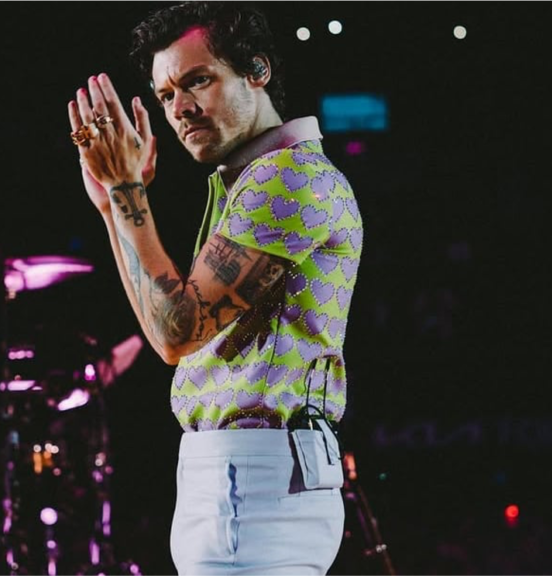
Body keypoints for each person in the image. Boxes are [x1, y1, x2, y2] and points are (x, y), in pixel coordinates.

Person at [66, 0, 364, 573]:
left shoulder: (287, 178)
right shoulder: (252, 180)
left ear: (257, 70)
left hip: (257, 482)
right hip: (235, 480)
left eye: (197, 81)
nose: (179, 108)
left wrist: (128, 191)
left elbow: (177, 333)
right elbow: (168, 335)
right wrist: (112, 204)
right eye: (164, 96)